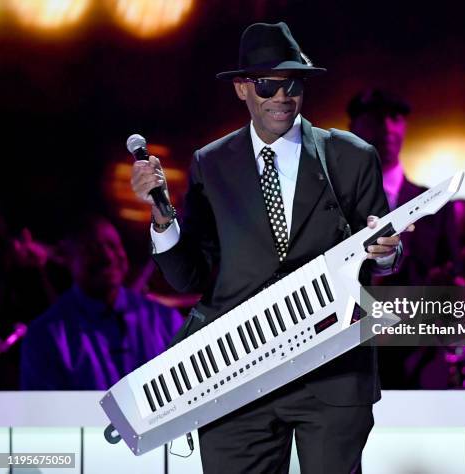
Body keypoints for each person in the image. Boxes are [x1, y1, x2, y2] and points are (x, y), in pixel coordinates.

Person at [131, 22, 402, 474]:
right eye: (267, 84)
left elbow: (381, 251)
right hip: (236, 372)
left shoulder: (351, 156)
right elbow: (192, 277)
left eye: (292, 83)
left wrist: (387, 252)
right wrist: (162, 215)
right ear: (242, 89)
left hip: (331, 371)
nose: (282, 96)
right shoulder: (211, 164)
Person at [20, 216, 183, 390]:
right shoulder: (46, 337)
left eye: (113, 245)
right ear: (68, 259)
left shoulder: (166, 320)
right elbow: (45, 413)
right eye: (92, 249)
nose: (107, 256)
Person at [348, 88, 458, 286]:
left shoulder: (437, 205)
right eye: (375, 118)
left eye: (395, 118)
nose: (387, 127)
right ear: (352, 128)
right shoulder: (328, 199)